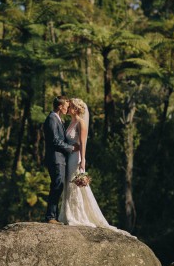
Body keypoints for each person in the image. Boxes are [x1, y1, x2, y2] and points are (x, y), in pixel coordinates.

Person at [58, 98, 135, 237]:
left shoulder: (81, 123)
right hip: (69, 157)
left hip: (76, 158)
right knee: (68, 185)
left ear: (76, 109)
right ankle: (68, 212)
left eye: (71, 106)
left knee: (75, 185)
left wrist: (83, 161)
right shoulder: (71, 122)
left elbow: (82, 143)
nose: (68, 108)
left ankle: (77, 214)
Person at [43, 96, 79, 224]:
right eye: (66, 106)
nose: (67, 108)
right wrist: (71, 148)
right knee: (57, 185)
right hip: (55, 158)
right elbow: (55, 141)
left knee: (58, 186)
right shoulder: (52, 119)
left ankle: (54, 216)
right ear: (60, 106)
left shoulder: (57, 119)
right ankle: (51, 217)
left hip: (60, 158)